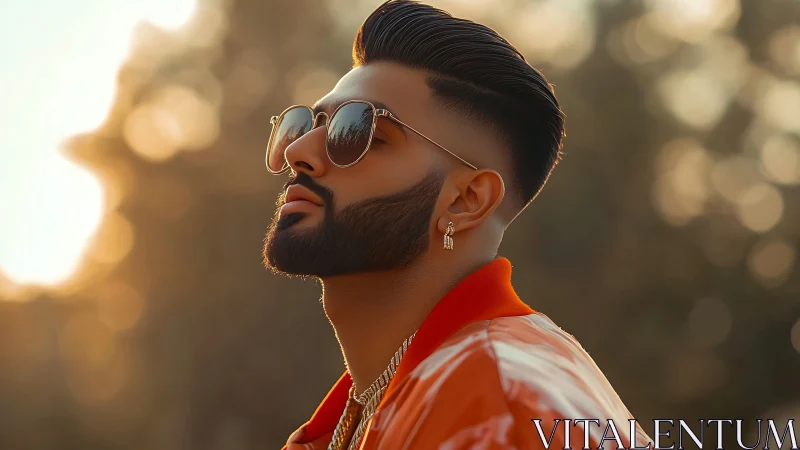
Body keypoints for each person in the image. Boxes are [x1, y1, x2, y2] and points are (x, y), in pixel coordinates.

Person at [262, 1, 653, 449]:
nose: (300, 153)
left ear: (466, 201)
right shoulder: (389, 401)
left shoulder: (498, 408)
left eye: (358, 130)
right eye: (310, 123)